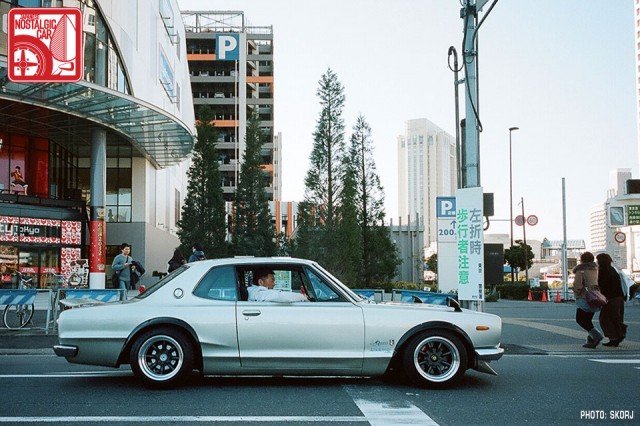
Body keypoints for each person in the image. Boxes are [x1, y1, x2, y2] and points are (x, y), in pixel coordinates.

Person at [572, 251, 603, 348]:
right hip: (595, 296)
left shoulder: (580, 270)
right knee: (588, 319)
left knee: (580, 319)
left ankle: (596, 335)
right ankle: (591, 340)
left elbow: (578, 285)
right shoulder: (595, 269)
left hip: (584, 297)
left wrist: (576, 292)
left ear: (582, 260)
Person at [596, 253, 627, 347]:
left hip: (610, 298)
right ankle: (619, 334)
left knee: (605, 318)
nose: (597, 262)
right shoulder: (613, 269)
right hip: (619, 297)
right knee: (616, 318)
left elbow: (602, 285)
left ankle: (614, 337)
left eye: (597, 260)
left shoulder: (603, 271)